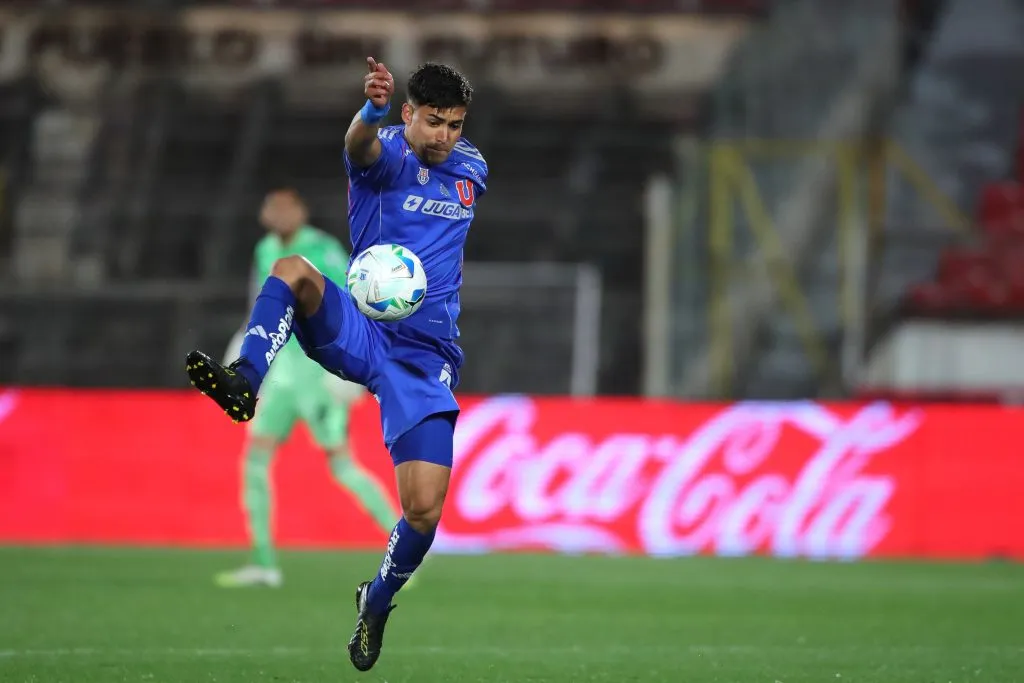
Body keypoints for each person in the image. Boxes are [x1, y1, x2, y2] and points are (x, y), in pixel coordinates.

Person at [184, 58, 486, 672]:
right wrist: (370, 115)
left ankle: (376, 601)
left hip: (423, 359)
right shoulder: (387, 154)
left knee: (424, 508)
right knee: (292, 271)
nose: (444, 136)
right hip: (362, 326)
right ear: (408, 114)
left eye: (454, 124)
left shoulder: (472, 170)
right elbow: (360, 146)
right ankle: (245, 380)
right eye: (432, 122)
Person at [213, 188, 403, 590]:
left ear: (301, 211)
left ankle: (406, 552)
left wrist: (349, 370)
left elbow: (356, 299)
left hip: (318, 373)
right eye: (273, 207)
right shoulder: (265, 250)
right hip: (282, 372)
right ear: (265, 214)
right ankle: (264, 562)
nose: (280, 215)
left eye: (288, 207)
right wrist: (244, 348)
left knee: (342, 465)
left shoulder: (322, 248)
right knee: (255, 458)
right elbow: (263, 304)